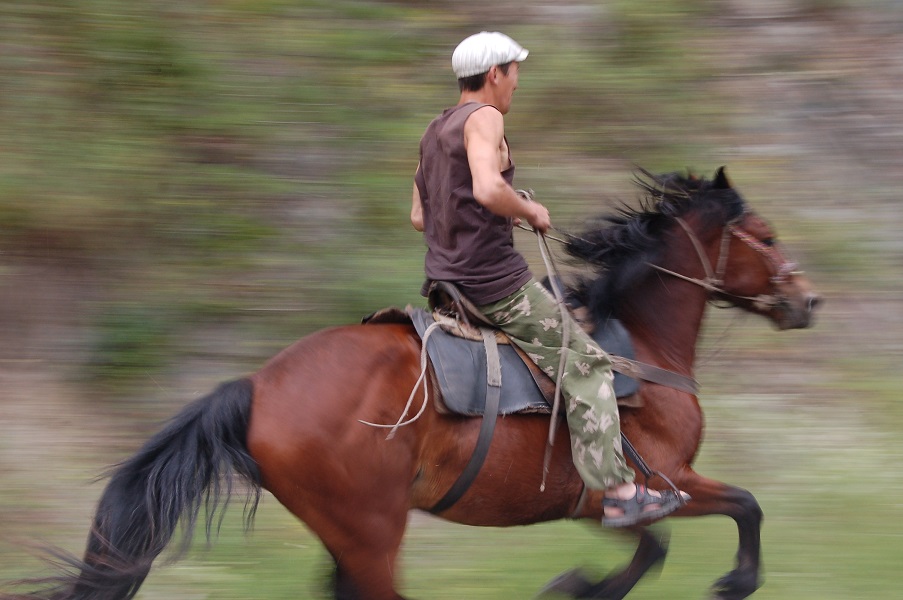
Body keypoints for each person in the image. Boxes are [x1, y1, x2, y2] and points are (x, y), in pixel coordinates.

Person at [410, 31, 688, 527]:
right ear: (494, 74)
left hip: (445, 286)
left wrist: (486, 216)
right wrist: (527, 209)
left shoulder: (434, 131)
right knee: (588, 367)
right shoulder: (485, 118)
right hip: (495, 286)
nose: (517, 84)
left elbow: (418, 215)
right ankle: (620, 492)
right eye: (515, 73)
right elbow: (488, 187)